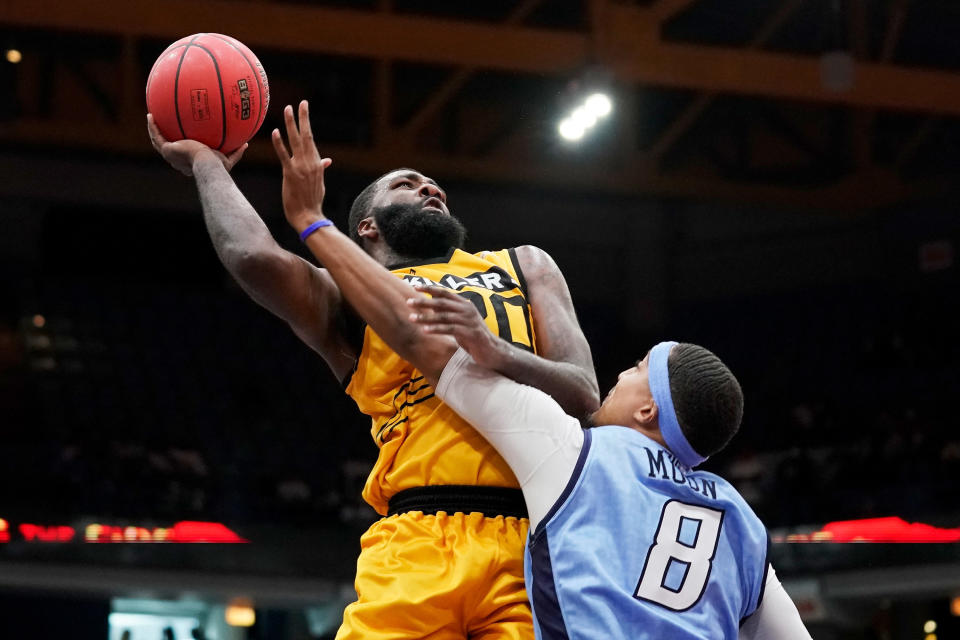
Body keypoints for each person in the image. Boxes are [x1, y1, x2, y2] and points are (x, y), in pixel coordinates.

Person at [270, 101, 812, 639]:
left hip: (470, 537)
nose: (619, 374)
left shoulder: (579, 455)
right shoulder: (737, 518)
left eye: (636, 368)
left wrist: (310, 221)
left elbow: (429, 346)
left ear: (648, 409)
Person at [147, 104, 598, 639]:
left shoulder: (523, 264)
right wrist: (206, 162)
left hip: (532, 536)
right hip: (418, 537)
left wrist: (493, 350)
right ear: (366, 227)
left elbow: (585, 395)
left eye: (435, 187)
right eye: (408, 186)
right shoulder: (343, 297)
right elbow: (251, 256)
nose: (431, 190)